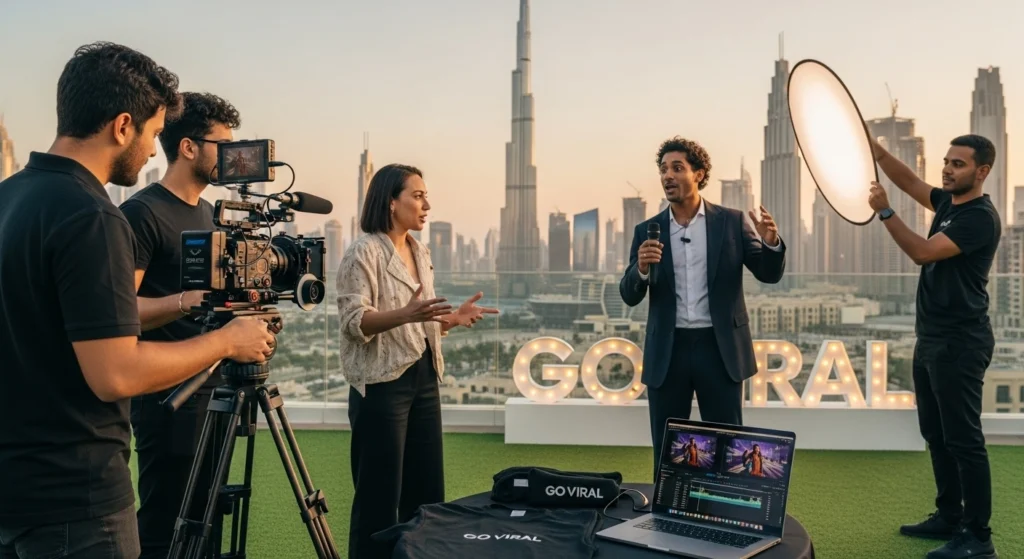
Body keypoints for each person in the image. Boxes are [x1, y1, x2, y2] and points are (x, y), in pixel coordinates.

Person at [0, 42, 274, 558]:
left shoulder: (9, 197)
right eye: (151, 133)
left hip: (16, 487)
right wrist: (226, 340)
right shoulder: (93, 215)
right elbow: (116, 373)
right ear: (122, 126)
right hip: (74, 498)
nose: (153, 149)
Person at [336, 163, 498, 558]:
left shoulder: (419, 250)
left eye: (426, 196)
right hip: (381, 385)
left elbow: (419, 323)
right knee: (378, 498)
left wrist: (451, 321)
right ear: (392, 202)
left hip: (425, 377)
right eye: (418, 195)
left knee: (427, 495)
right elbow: (353, 322)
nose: (427, 204)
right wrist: (406, 314)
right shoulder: (363, 252)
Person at [118, 91, 242, 559]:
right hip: (165, 395)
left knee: (206, 519)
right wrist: (187, 302)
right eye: (221, 145)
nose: (231, 157)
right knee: (165, 522)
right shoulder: (142, 213)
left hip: (215, 383)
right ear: (188, 147)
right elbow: (122, 309)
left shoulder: (212, 215)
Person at [619, 137, 786, 479]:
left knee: (728, 445)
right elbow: (628, 294)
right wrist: (641, 269)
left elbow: (768, 274)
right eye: (663, 169)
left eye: (677, 168)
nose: (668, 175)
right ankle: (667, 519)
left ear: (699, 174)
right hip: (669, 350)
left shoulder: (732, 222)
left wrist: (771, 243)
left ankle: (726, 513)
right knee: (668, 449)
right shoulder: (646, 231)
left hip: (719, 349)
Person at [869, 134, 1000, 559]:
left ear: (981, 172)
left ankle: (978, 537)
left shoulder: (979, 217)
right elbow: (908, 180)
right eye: (946, 162)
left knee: (964, 440)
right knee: (937, 434)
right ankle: (949, 515)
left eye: (958, 164)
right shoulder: (948, 203)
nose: (947, 169)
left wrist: (885, 212)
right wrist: (876, 151)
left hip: (961, 343)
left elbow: (924, 253)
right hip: (932, 340)